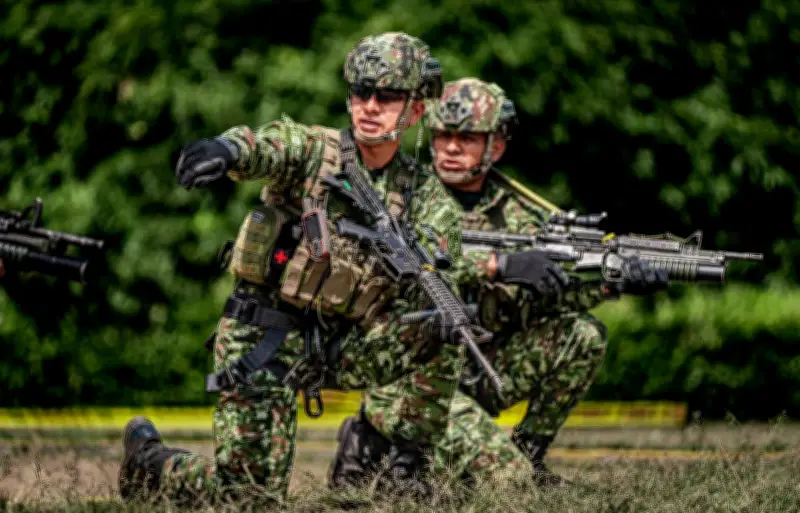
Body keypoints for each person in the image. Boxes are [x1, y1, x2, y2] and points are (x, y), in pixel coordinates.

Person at [118, 37, 569, 504]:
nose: (370, 106)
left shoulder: (428, 198)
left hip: (343, 345)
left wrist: (433, 273)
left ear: (415, 111)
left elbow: (442, 263)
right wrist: (226, 150)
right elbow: (268, 144)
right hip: (265, 336)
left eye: (388, 96)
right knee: (248, 500)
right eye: (361, 92)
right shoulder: (317, 151)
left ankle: (402, 460)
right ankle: (150, 464)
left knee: (445, 322)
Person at [329, 77, 669, 488]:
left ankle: (531, 456)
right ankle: (372, 444)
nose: (452, 148)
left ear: (497, 146)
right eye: (442, 136)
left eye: (468, 138)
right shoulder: (400, 196)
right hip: (409, 383)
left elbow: (546, 298)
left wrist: (613, 284)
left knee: (584, 335)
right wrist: (496, 264)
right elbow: (395, 261)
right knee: (511, 486)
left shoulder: (524, 217)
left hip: (480, 371)